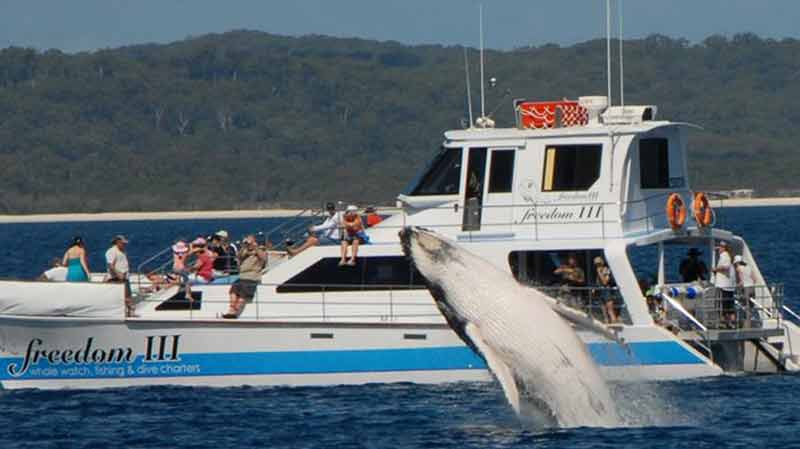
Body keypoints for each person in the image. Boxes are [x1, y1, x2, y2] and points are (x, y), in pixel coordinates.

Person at [223, 234, 268, 319]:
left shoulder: (260, 251)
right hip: (242, 276)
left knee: (243, 294)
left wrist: (255, 247)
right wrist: (244, 246)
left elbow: (263, 258)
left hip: (252, 277)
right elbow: (239, 256)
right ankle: (231, 309)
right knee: (233, 290)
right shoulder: (245, 251)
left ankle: (235, 312)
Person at [106, 235, 133, 316]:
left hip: (124, 278)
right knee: (123, 298)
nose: (124, 245)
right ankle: (125, 313)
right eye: (123, 243)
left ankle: (129, 312)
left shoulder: (122, 250)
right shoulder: (112, 251)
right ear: (118, 242)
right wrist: (119, 274)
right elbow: (110, 265)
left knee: (128, 297)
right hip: (116, 278)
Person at [713, 241, 737, 327]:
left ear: (723, 248)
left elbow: (725, 266)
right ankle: (731, 322)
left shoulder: (725, 256)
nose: (718, 249)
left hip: (724, 285)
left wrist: (716, 269)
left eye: (719, 248)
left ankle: (725, 322)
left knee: (724, 304)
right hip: (729, 285)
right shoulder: (727, 256)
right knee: (729, 304)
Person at [593, 256, 618, 323]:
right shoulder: (598, 271)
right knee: (603, 309)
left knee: (610, 309)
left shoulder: (606, 270)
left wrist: (600, 273)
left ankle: (614, 321)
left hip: (606, 290)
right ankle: (606, 321)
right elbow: (597, 282)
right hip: (600, 290)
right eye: (596, 264)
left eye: (599, 264)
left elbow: (605, 282)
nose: (597, 266)